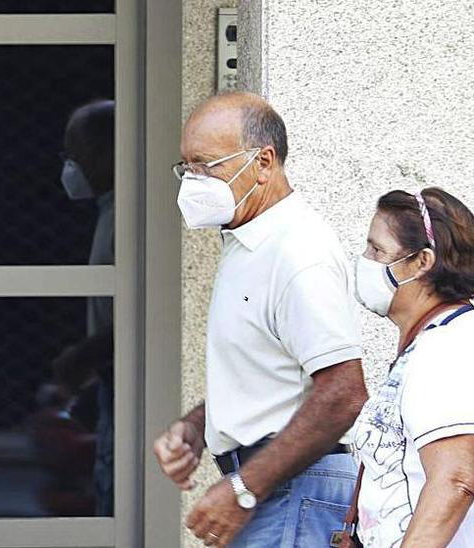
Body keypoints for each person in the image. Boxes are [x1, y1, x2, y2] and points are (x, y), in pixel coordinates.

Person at [152, 92, 368, 547]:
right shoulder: (249, 241)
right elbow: (273, 376)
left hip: (292, 492)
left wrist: (245, 488)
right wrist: (199, 426)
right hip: (276, 490)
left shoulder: (297, 252)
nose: (193, 180)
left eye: (207, 165)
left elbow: (344, 391)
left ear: (264, 163)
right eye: (186, 166)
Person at [350, 188, 474, 547]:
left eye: (377, 250)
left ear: (422, 262)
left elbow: (456, 478)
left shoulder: (449, 343)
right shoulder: (432, 341)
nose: (364, 260)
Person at [48, 99, 116, 516]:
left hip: (117, 375)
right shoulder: (109, 211)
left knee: (113, 486)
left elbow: (132, 316)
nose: (70, 164)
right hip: (108, 377)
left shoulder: (128, 216)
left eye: (76, 152)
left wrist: (82, 357)